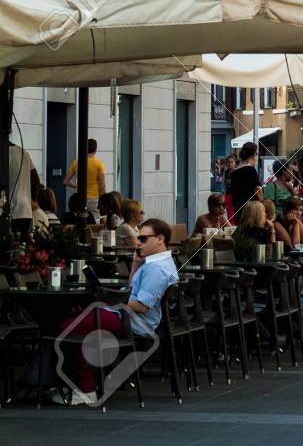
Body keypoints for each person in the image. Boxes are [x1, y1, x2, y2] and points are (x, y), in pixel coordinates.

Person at [55, 218, 178, 406]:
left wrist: (110, 301)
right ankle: (65, 382)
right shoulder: (153, 263)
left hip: (129, 320)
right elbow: (132, 291)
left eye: (143, 239)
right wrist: (136, 266)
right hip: (123, 315)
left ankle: (85, 389)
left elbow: (142, 306)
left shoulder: (158, 269)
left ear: (160, 239)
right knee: (67, 320)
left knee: (68, 327)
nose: (138, 242)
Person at [63, 138, 106, 216]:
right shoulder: (99, 164)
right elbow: (102, 186)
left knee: (81, 221)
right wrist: (103, 202)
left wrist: (78, 186)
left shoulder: (76, 162)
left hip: (80, 199)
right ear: (95, 150)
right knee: (95, 224)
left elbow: (65, 181)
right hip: (94, 200)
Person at [229, 142, 262, 222]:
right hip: (251, 212)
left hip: (238, 210)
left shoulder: (235, 172)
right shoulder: (251, 170)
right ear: (253, 155)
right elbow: (258, 190)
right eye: (256, 154)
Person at [8, 143, 35, 236]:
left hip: (8, 211)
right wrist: (33, 201)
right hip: (25, 210)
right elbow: (36, 180)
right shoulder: (24, 152)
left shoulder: (4, 153)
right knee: (21, 248)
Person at [223, 155, 237, 222]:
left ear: (235, 163)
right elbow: (225, 183)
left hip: (235, 194)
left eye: (232, 162)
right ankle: (230, 224)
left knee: (233, 211)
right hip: (228, 194)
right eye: (228, 162)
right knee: (228, 211)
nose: (230, 164)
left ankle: (233, 224)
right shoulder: (226, 172)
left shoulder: (237, 172)